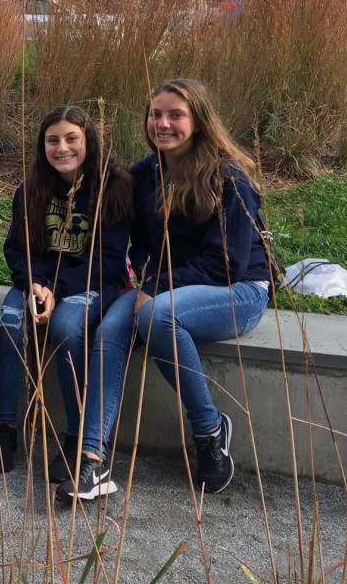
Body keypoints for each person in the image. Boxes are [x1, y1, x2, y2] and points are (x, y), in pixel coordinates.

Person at [56, 78, 274, 504]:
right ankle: (92, 461)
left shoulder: (228, 176)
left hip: (239, 289)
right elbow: (140, 246)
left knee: (155, 314)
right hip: (166, 289)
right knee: (110, 330)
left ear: (199, 120)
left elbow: (225, 263)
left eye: (176, 115)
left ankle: (210, 431)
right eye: (156, 114)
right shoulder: (144, 175)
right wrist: (148, 282)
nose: (163, 123)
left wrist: (153, 287)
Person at [0, 106, 133, 476]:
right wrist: (34, 281)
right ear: (42, 145)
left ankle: (75, 436)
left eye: (71, 139)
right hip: (39, 280)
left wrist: (57, 289)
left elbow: (109, 260)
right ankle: (4, 428)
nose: (62, 148)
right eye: (53, 140)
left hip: (94, 281)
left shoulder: (113, 187)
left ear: (88, 142)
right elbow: (17, 249)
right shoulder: (31, 187)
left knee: (67, 325)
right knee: (11, 320)